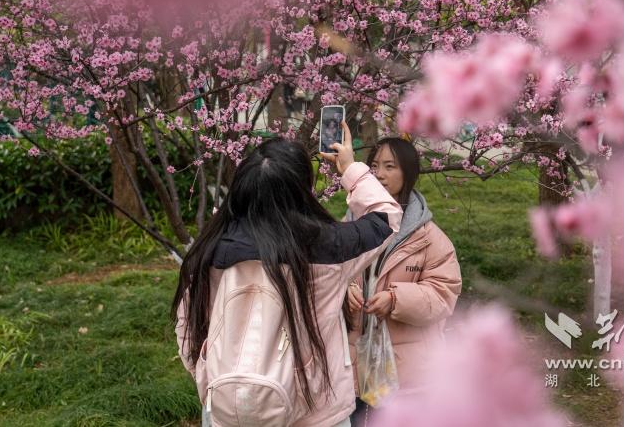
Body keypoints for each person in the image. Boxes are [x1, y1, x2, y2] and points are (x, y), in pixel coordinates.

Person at [171, 122, 403, 427]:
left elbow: (188, 328)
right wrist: (350, 169)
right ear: (302, 191)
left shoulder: (210, 250)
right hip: (318, 414)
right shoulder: (329, 247)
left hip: (227, 412)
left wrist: (216, 381)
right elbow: (386, 217)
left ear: (242, 188)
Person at [345, 137, 462, 426]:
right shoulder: (349, 227)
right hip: (352, 362)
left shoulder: (429, 238)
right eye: (374, 166)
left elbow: (443, 294)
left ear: (408, 173)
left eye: (390, 166)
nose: (380, 174)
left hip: (406, 370)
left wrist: (395, 299)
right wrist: (345, 291)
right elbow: (329, 275)